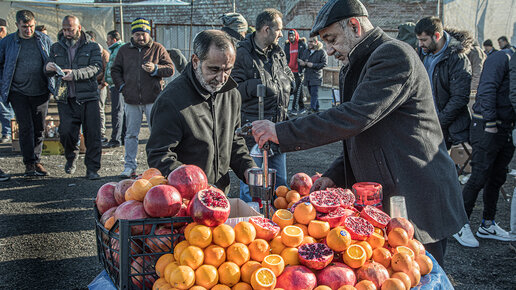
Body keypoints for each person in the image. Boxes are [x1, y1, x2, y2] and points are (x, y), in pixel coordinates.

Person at [251, 0, 468, 266]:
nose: (329, 50)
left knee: (416, 274)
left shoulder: (393, 56)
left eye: (332, 39)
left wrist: (281, 132)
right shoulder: (358, 63)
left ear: (354, 25)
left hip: (416, 195)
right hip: (389, 195)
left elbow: (354, 117)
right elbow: (361, 134)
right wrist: (334, 174)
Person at [146, 30, 256, 193]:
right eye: (214, 69)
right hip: (185, 199)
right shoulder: (171, 101)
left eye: (228, 70)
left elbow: (234, 141)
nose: (222, 78)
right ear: (196, 61)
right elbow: (159, 156)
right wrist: (195, 184)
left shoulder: (231, 94)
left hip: (219, 195)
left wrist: (248, 169)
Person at [452, 45, 516, 247]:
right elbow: (487, 88)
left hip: (505, 126)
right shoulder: (501, 57)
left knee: (497, 177)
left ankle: (487, 224)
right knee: (478, 175)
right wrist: (489, 122)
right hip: (487, 127)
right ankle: (459, 225)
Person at [232, 8, 294, 202]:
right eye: (279, 29)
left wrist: (289, 82)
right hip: (254, 131)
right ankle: (250, 227)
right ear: (266, 29)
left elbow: (287, 74)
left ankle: (279, 226)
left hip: (277, 127)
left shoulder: (277, 52)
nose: (282, 34)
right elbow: (231, 90)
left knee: (281, 185)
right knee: (253, 187)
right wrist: (255, 86)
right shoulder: (241, 54)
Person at [111, 17, 174, 178]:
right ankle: (129, 166)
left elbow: (170, 69)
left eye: (143, 34)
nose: (141, 37)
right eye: (137, 34)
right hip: (131, 99)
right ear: (132, 35)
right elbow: (115, 70)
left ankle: (157, 167)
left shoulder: (157, 48)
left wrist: (155, 69)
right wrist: (122, 87)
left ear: (149, 33)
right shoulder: (124, 50)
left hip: (153, 99)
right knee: (131, 134)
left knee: (156, 133)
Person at [45, 15, 103, 180]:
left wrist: (75, 74)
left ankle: (92, 169)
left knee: (93, 135)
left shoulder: (92, 47)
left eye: (70, 29)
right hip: (65, 97)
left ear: (79, 28)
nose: (67, 33)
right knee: (66, 133)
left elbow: (96, 68)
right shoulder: (56, 47)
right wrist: (48, 67)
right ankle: (71, 156)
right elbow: (48, 68)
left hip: (88, 97)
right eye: (64, 30)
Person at [0, 10, 53, 177]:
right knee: (25, 127)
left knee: (39, 127)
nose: (28, 30)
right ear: (17, 25)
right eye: (24, 27)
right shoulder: (8, 42)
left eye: (31, 26)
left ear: (35, 23)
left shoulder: (43, 40)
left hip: (41, 91)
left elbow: (53, 60)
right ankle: (29, 163)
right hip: (18, 92)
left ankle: (37, 160)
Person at [415, 17, 472, 150]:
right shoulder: (423, 54)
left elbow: (459, 98)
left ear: (437, 36)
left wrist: (438, 122)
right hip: (425, 124)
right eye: (418, 40)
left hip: (448, 129)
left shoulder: (457, 58)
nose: (420, 44)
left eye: (424, 40)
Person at [85, 30, 110, 145]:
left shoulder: (103, 53)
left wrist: (102, 84)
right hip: (88, 85)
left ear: (93, 39)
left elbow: (107, 70)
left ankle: (101, 134)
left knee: (99, 109)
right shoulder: (86, 51)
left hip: (99, 85)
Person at [103, 30, 125, 148]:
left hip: (118, 85)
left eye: (108, 39)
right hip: (116, 84)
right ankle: (122, 137)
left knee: (117, 112)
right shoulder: (116, 49)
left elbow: (116, 68)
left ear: (114, 40)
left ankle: (115, 140)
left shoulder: (119, 50)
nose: (107, 42)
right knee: (121, 111)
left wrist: (119, 83)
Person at [298, 36, 328, 113]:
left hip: (316, 76)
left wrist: (313, 65)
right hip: (308, 76)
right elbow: (304, 60)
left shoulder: (321, 52)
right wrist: (303, 63)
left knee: (314, 93)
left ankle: (312, 109)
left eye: (311, 42)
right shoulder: (306, 51)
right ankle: (316, 109)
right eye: (308, 42)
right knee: (312, 94)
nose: (309, 43)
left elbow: (324, 64)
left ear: (316, 42)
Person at [284, 29, 307, 115]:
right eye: (290, 36)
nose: (291, 37)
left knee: (296, 90)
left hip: (298, 71)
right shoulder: (287, 45)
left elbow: (305, 56)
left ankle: (294, 108)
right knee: (295, 90)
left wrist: (304, 63)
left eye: (293, 35)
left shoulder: (301, 45)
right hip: (289, 72)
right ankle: (302, 107)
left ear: (296, 35)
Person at [0, 17, 14, 144]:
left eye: (1, 29)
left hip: (5, 80)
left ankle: (7, 132)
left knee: (4, 107)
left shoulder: (10, 42)